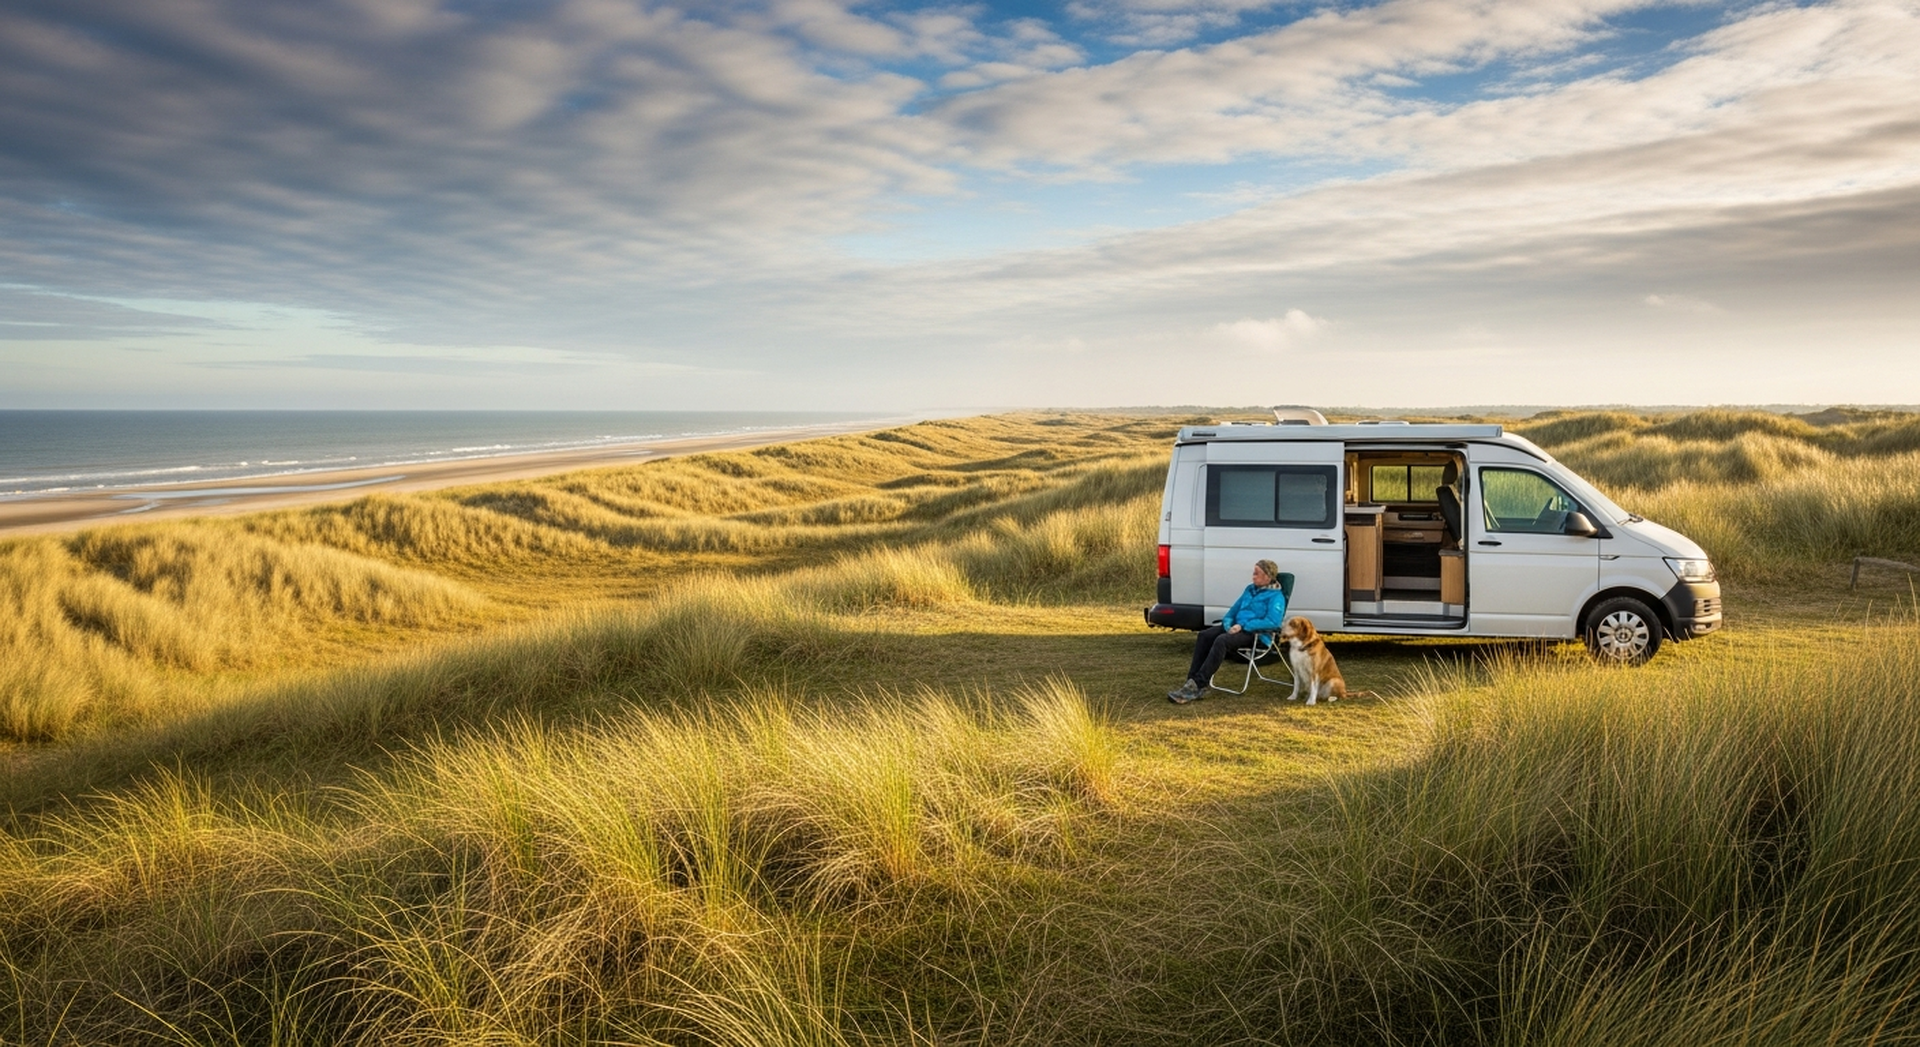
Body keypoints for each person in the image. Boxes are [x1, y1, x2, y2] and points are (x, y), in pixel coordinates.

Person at [1168, 559, 1288, 704]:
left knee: (1222, 641)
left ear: (1268, 577)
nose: (1253, 576)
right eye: (1253, 573)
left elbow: (1273, 622)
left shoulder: (1276, 597)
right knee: (1205, 635)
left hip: (1257, 634)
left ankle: (1199, 684)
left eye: (1257, 574)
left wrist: (1242, 626)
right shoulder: (1250, 589)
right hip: (1236, 627)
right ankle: (1191, 683)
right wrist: (1228, 624)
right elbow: (1233, 611)